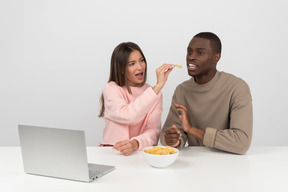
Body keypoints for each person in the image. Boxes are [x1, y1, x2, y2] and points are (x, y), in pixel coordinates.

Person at [160, 32, 253, 155]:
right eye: (189, 52)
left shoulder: (237, 87)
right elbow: (169, 135)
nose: (191, 57)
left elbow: (241, 142)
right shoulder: (182, 90)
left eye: (200, 53)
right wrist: (172, 140)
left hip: (230, 162)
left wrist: (192, 130)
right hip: (196, 161)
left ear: (216, 57)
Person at [99, 42, 176, 156]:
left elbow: (153, 131)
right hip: (111, 153)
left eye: (141, 60)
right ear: (121, 69)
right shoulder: (111, 88)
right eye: (132, 64)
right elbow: (128, 115)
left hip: (138, 154)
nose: (140, 67)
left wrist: (135, 143)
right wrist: (157, 88)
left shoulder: (155, 94)